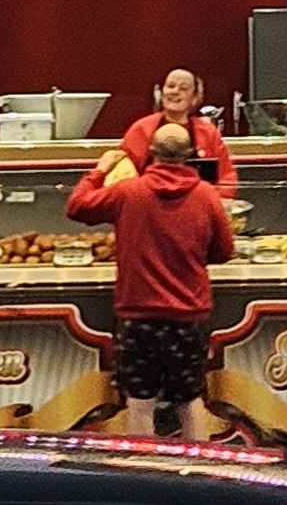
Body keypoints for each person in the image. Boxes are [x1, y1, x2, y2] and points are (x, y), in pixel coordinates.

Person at [66, 123, 235, 439]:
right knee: (190, 401)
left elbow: (77, 206)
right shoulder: (206, 196)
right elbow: (224, 251)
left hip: (138, 316)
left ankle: (141, 476)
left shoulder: (129, 192)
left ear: (152, 153)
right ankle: (199, 475)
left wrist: (99, 170)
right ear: (190, 155)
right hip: (188, 315)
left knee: (140, 403)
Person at [120, 69, 237, 192]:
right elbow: (123, 176)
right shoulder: (141, 128)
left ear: (195, 97)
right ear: (161, 92)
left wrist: (213, 203)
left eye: (184, 88)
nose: (175, 92)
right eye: (170, 86)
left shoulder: (209, 133)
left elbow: (227, 179)